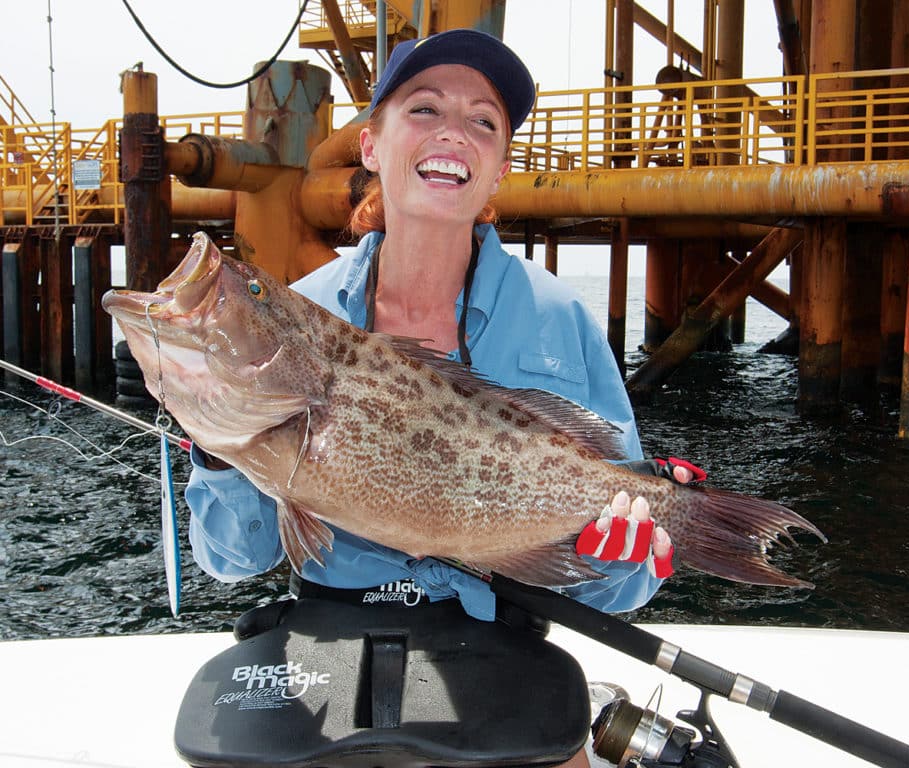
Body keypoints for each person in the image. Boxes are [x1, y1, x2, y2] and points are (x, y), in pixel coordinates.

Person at [185, 29, 699, 624]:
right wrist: (219, 445)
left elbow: (617, 590)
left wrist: (617, 559)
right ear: (371, 146)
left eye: (483, 122)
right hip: (339, 631)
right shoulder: (303, 314)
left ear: (501, 168)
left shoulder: (560, 318)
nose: (453, 132)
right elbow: (235, 560)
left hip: (503, 645)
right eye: (424, 108)